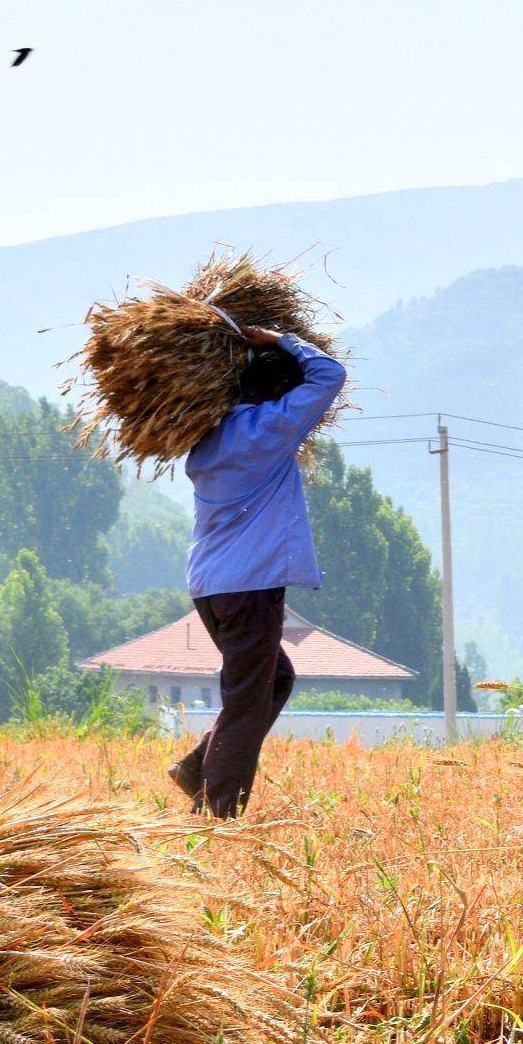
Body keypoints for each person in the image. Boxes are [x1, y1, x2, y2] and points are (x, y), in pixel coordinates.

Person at [168, 325, 347, 817]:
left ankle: (197, 765)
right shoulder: (267, 430)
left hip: (209, 585)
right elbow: (330, 374)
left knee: (274, 680)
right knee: (248, 699)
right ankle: (218, 811)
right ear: (277, 392)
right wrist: (282, 338)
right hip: (249, 589)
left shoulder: (206, 440)